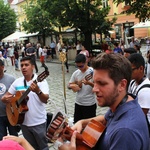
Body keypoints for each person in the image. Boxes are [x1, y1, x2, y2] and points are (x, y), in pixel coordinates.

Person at [59, 53, 149, 150]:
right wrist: (81, 122)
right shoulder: (122, 103)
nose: (94, 89)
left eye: (102, 83)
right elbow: (105, 119)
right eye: (95, 82)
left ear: (122, 85)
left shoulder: (124, 132)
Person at [1, 56, 49, 150]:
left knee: (43, 147)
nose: (23, 67)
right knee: (29, 147)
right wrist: (5, 99)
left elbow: (45, 100)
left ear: (33, 67)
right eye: (22, 65)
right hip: (24, 123)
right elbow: (5, 97)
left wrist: (38, 91)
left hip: (38, 122)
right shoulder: (17, 82)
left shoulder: (41, 82)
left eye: (26, 65)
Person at [68, 54, 96, 123]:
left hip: (89, 104)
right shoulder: (76, 73)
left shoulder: (92, 72)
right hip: (78, 103)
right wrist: (74, 86)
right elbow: (69, 85)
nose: (79, 68)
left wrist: (89, 83)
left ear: (86, 62)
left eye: (81, 66)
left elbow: (98, 87)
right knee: (77, 124)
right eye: (77, 66)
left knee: (89, 127)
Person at [128, 53, 150, 127]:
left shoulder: (145, 90)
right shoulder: (133, 83)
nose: (129, 73)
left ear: (141, 68)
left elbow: (140, 117)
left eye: (131, 70)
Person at [0, 59, 18, 140]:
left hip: (11, 114)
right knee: (1, 140)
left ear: (2, 67)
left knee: (14, 138)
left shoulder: (11, 79)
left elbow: (19, 95)